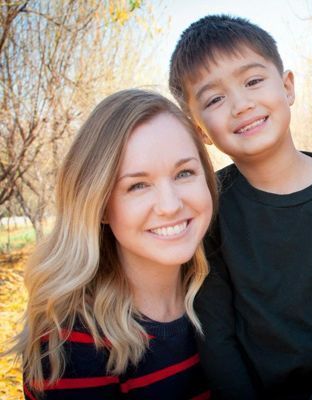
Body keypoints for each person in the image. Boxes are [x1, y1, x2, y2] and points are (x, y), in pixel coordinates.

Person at [168, 15, 312, 399]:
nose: (241, 104)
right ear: (199, 129)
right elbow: (216, 337)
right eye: (215, 99)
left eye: (253, 81)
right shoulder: (208, 207)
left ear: (287, 87)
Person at [10, 89, 216, 399]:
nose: (170, 205)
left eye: (184, 172)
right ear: (101, 205)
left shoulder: (226, 288)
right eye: (138, 185)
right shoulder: (72, 343)